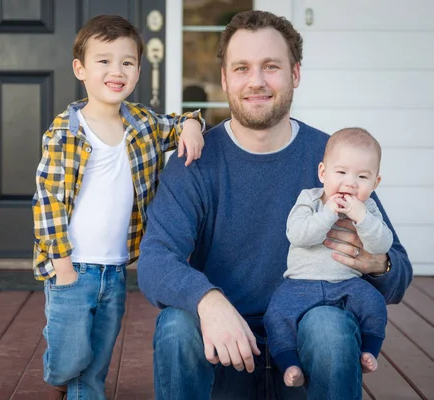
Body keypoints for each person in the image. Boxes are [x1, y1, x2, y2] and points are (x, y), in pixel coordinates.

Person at [137, 10, 412, 400]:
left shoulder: (332, 158)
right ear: (225, 79)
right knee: (176, 327)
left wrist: (378, 264)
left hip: (304, 348)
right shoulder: (195, 162)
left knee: (330, 328)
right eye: (242, 68)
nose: (256, 81)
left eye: (271, 66)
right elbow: (154, 259)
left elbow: (400, 272)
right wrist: (207, 300)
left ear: (295, 74)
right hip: (226, 347)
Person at [31, 15, 205, 400]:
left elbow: (176, 124)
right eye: (104, 61)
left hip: (114, 268)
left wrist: (191, 125)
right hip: (71, 266)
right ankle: (57, 365)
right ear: (81, 69)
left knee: (98, 357)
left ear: (139, 70)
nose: (116, 71)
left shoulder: (141, 124)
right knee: (70, 355)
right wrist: (61, 267)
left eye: (127, 62)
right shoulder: (65, 133)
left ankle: (82, 388)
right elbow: (48, 202)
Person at [264, 128, 393, 388]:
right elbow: (298, 235)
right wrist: (328, 213)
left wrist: (363, 219)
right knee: (276, 314)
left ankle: (369, 349)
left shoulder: (367, 208)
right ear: (323, 173)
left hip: (346, 284)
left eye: (362, 177)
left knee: (375, 303)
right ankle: (289, 363)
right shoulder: (309, 200)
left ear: (375, 183)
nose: (350, 183)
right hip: (301, 284)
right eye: (341, 172)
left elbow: (382, 245)